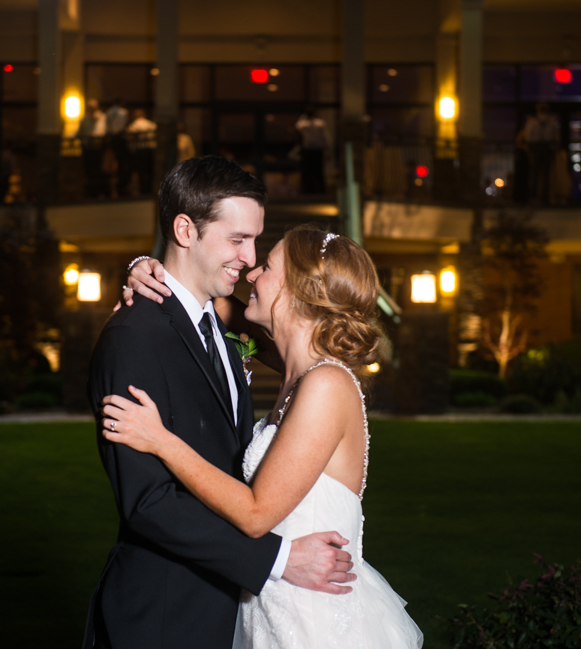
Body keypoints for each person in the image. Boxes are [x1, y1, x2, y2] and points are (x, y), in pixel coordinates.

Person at [84, 157, 359, 649]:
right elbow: (148, 502)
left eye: (256, 242)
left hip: (238, 609)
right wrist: (275, 561)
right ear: (185, 230)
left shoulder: (224, 331)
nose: (250, 260)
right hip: (167, 615)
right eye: (237, 240)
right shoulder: (133, 337)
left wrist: (141, 266)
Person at [109, 227, 424, 647]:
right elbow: (203, 297)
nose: (252, 274)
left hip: (312, 620)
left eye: (267, 267)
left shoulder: (326, 384)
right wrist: (144, 270)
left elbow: (257, 514)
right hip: (270, 606)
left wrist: (161, 440)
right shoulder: (299, 370)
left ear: (300, 290)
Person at [522, 101, 561, 204]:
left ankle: (534, 196)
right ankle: (544, 197)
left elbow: (528, 136)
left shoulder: (533, 122)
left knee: (535, 173)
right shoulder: (552, 122)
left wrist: (529, 147)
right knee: (546, 174)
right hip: (546, 147)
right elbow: (556, 137)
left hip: (537, 147)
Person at [78, 99, 108, 198]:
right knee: (88, 169)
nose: (91, 109)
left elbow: (102, 130)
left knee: (99, 169)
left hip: (98, 147)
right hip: (87, 147)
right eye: (89, 107)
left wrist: (95, 135)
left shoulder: (102, 117)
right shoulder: (85, 119)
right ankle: (90, 193)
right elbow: (79, 131)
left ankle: (99, 192)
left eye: (93, 107)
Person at [295, 109, 328, 194]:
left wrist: (303, 116)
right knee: (318, 171)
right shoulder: (320, 123)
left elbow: (298, 125)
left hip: (309, 150)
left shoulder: (305, 124)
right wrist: (327, 147)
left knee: (308, 172)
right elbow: (324, 137)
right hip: (317, 150)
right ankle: (321, 191)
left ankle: (309, 191)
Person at [126, 109, 157, 195]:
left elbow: (130, 132)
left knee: (142, 172)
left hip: (141, 150)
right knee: (150, 171)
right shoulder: (150, 124)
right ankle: (150, 190)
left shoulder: (136, 124)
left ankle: (144, 191)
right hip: (151, 150)